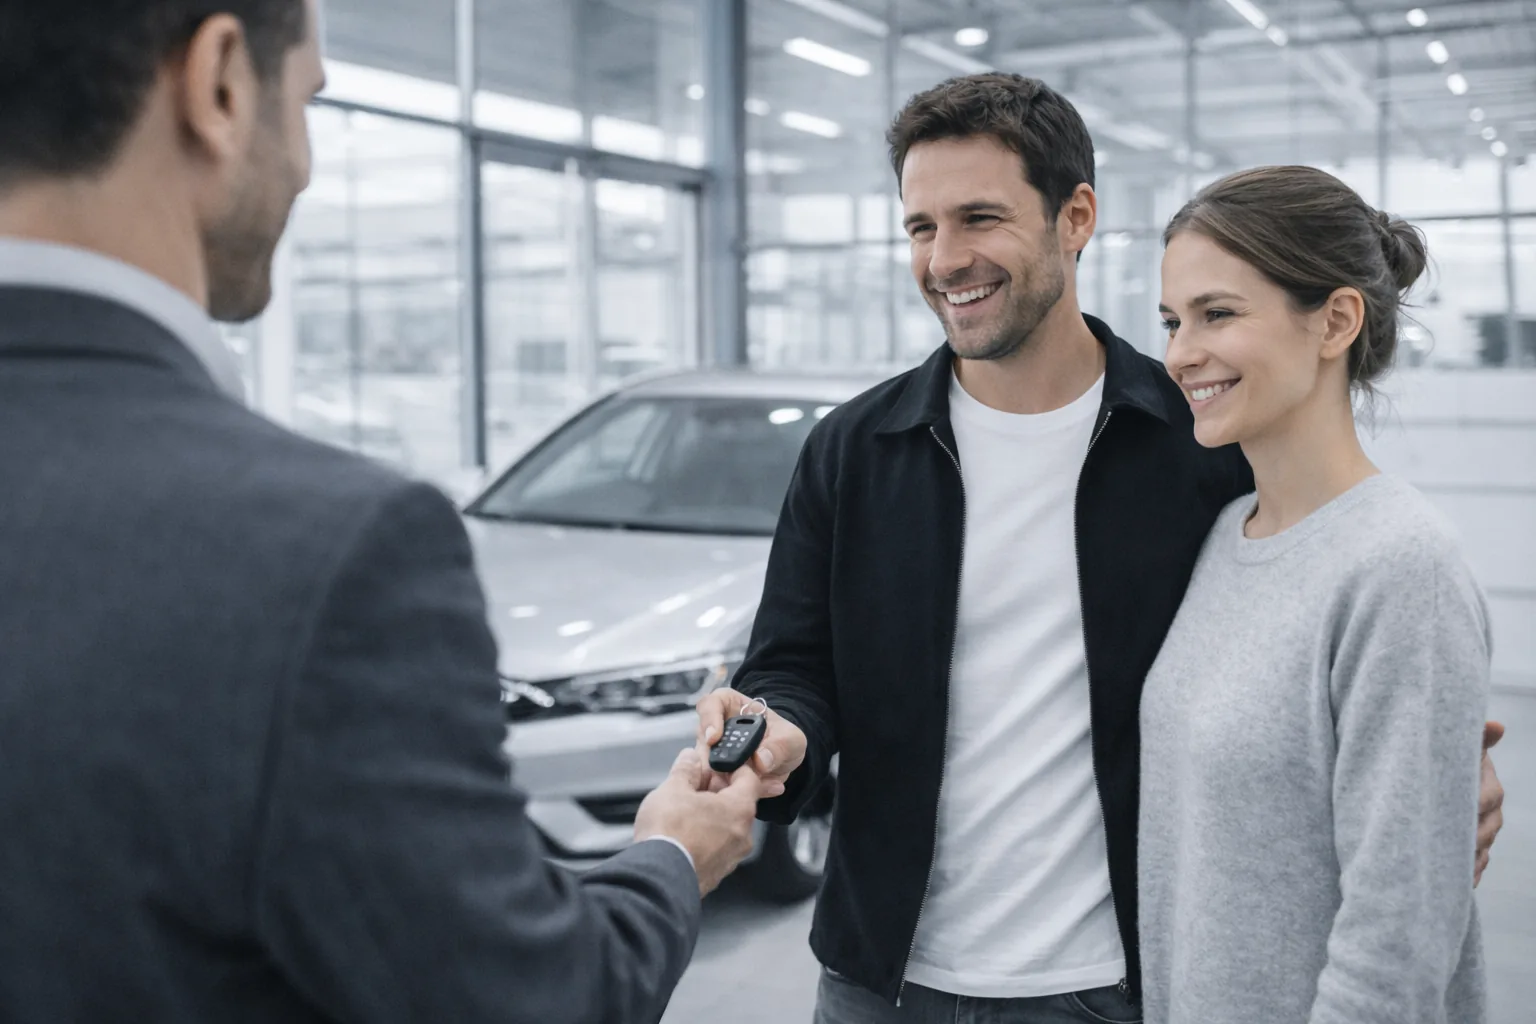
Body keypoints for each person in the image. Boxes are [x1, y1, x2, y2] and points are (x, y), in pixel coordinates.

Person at [0, 2, 765, 1021]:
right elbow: (531, 1002)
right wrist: (672, 853)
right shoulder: (321, 549)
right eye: (308, 101)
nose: (308, 164)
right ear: (220, 81)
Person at [694, 73, 1507, 1023]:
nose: (945, 259)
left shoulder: (1197, 444)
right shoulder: (855, 450)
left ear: (1074, 216)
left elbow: (1339, 620)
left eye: (980, 217)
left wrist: (1431, 786)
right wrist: (783, 730)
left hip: (1107, 985)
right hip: (883, 977)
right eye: (921, 227)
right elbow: (795, 662)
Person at [1139, 167, 1489, 1023]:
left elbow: (1395, 947)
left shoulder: (1403, 567)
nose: (1181, 352)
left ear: (1335, 320)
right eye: (1173, 321)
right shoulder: (1226, 538)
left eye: (1218, 314)